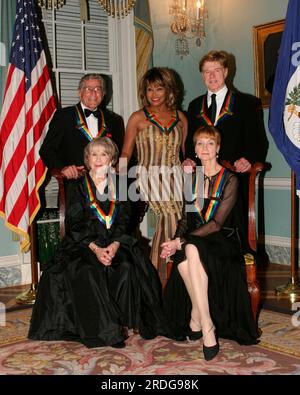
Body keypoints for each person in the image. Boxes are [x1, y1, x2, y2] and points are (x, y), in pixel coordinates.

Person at [28, 138, 167, 348]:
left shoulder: (122, 185)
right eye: (94, 154)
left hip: (115, 242)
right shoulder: (76, 185)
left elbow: (125, 221)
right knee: (88, 270)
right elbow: (74, 224)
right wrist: (96, 248)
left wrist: (114, 246)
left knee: (127, 265)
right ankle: (106, 331)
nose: (99, 159)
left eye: (103, 154)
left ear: (111, 159)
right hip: (83, 244)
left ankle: (126, 321)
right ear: (87, 159)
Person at [161, 126, 259, 361]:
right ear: (194, 149)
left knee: (189, 250)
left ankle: (201, 322)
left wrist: (179, 242)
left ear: (218, 148)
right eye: (200, 144)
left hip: (224, 240)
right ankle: (205, 323)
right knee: (186, 260)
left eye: (210, 143)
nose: (204, 148)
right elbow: (186, 219)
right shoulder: (190, 178)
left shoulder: (230, 179)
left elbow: (216, 224)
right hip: (195, 238)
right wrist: (176, 239)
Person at [185, 51, 268, 250]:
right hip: (202, 180)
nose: (212, 76)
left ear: (226, 72)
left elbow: (259, 142)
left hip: (234, 179)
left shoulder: (247, 103)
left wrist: (248, 159)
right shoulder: (194, 105)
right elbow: (189, 143)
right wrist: (187, 159)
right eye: (207, 72)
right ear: (202, 75)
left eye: (217, 70)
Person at [120, 67, 188, 284]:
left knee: (177, 219)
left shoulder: (181, 118)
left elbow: (184, 152)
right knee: (170, 214)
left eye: (159, 88)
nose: (154, 94)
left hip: (176, 176)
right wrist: (117, 179)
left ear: (169, 90)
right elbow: (126, 152)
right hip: (148, 175)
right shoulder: (138, 117)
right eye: (150, 89)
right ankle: (161, 278)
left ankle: (169, 276)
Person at [39, 73, 125, 180]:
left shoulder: (114, 120)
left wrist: (121, 173)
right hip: (75, 185)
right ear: (79, 93)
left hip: (108, 184)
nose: (93, 93)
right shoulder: (64, 116)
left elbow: (122, 152)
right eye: (88, 89)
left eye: (98, 89)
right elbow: (46, 150)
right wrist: (63, 168)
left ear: (103, 94)